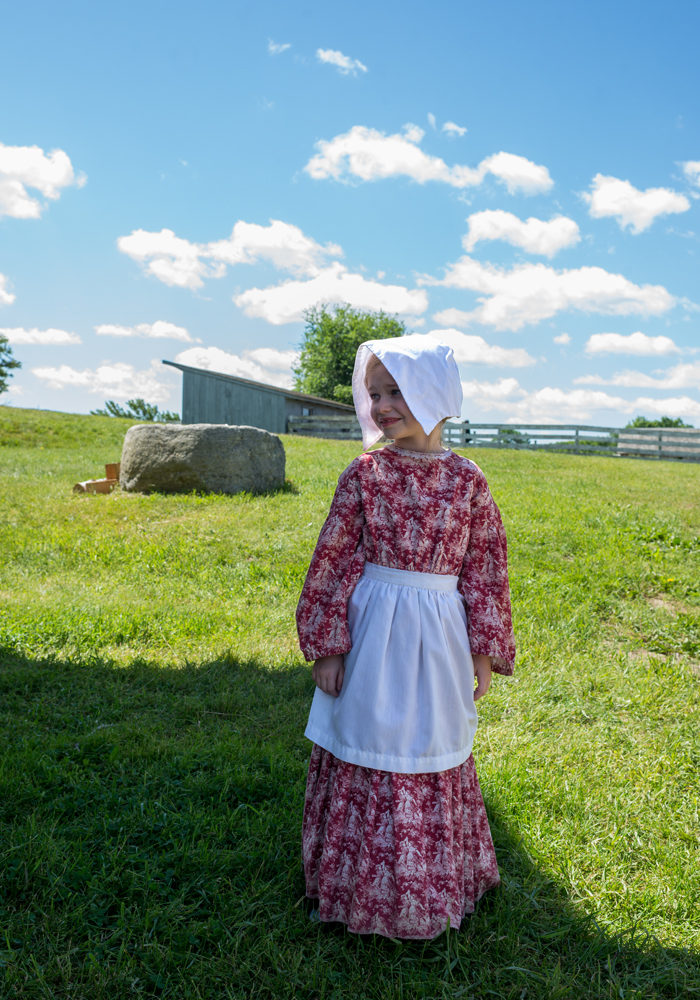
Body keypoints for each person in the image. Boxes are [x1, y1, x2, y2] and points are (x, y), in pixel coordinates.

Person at [296, 334, 515, 939]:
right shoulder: (365, 475)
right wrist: (329, 644)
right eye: (375, 394)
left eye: (396, 391)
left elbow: (486, 567)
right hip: (373, 636)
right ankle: (353, 888)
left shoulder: (468, 482)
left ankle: (433, 887)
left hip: (439, 638)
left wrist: (485, 648)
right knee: (369, 737)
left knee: (430, 742)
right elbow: (334, 559)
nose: (383, 405)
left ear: (435, 394)